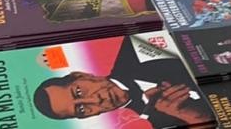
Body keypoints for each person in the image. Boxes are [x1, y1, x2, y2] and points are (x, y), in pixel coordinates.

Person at [32, 36, 211, 125]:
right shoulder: (154, 123)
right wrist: (189, 114)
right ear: (89, 116)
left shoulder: (135, 47)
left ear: (81, 76)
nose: (95, 100)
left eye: (79, 92)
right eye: (81, 109)